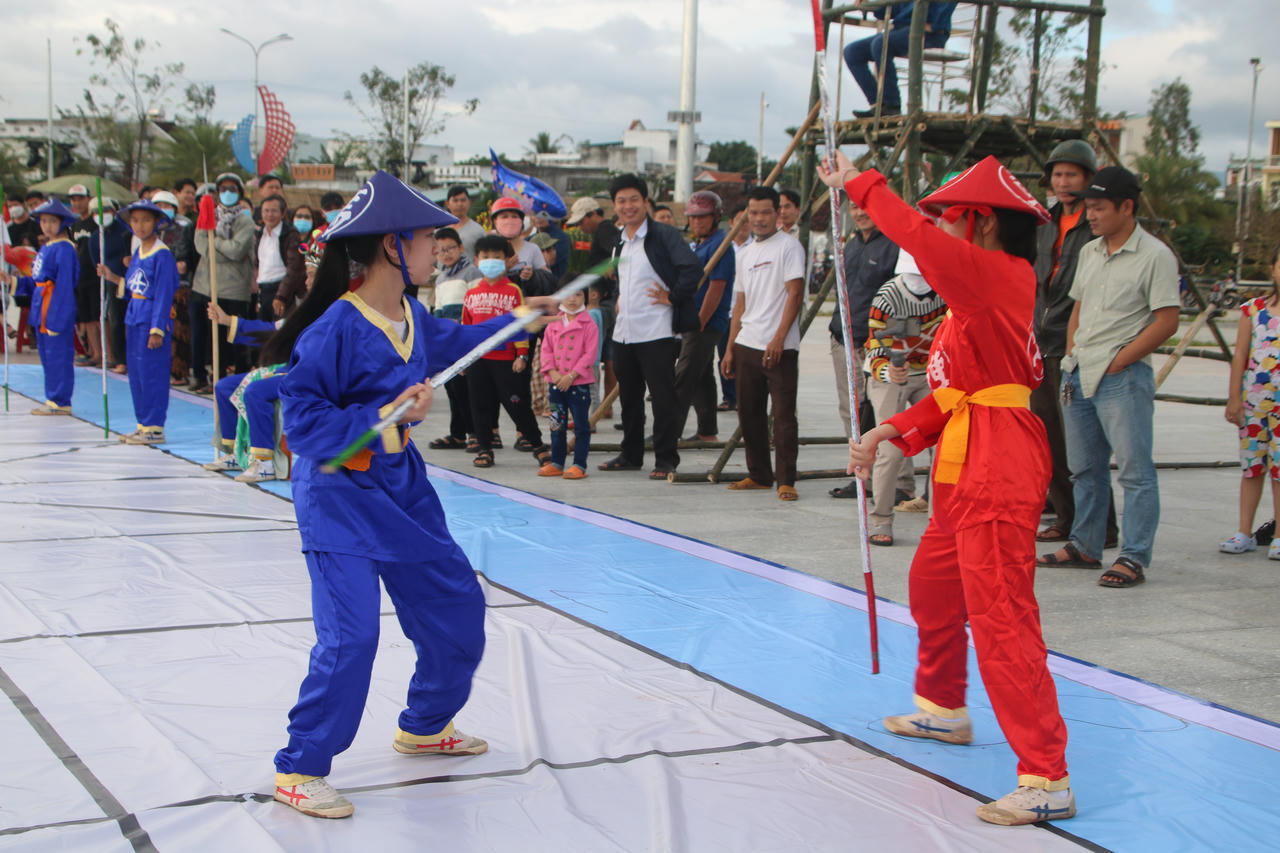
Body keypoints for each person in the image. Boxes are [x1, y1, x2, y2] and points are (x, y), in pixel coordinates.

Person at [271, 170, 558, 819]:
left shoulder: (413, 315)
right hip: (338, 497)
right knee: (352, 638)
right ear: (392, 245)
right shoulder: (333, 329)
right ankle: (300, 765)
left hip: (402, 488)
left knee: (456, 605)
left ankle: (425, 724)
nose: (440, 249)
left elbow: (459, 341)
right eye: (430, 238)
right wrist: (385, 414)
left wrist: (520, 317)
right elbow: (304, 423)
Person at [820, 152, 1075, 826]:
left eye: (949, 217)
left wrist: (860, 183)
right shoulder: (974, 296)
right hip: (965, 457)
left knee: (1002, 616)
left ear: (981, 222)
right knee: (935, 584)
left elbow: (916, 238)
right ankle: (944, 707)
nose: (938, 228)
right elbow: (954, 393)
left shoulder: (995, 274)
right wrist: (890, 431)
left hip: (998, 461)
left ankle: (1046, 774)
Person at [1039, 166, 1180, 588]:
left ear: (1127, 207)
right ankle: (1085, 544)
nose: (1091, 216)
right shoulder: (1090, 251)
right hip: (1078, 370)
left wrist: (1121, 360)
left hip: (1123, 376)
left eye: (1099, 208)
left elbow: (1167, 321)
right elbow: (1078, 308)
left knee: (1135, 471)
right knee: (1084, 469)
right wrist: (1072, 353)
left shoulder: (1155, 256)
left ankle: (1133, 556)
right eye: (1089, 208)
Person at [1031, 140, 1118, 547]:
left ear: (1088, 178)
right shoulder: (1042, 221)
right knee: (1048, 440)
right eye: (1058, 174)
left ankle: (1102, 527)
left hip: (1077, 343)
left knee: (1082, 445)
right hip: (1040, 341)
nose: (1063, 182)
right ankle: (1066, 518)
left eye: (1072, 174)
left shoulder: (1097, 224)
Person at [597, 174, 702, 478]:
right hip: (624, 332)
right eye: (621, 201)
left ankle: (666, 459)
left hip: (657, 331)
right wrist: (619, 298)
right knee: (629, 398)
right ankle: (630, 455)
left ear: (645, 202)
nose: (628, 206)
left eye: (634, 199)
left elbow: (692, 269)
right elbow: (624, 280)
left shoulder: (663, 235)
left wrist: (673, 297)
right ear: (614, 205)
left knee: (663, 398)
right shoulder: (620, 240)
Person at [720, 187, 805, 500]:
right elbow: (740, 304)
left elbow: (795, 293)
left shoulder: (789, 247)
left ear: (777, 213)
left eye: (765, 212)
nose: (759, 219)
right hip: (747, 343)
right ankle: (759, 475)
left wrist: (779, 338)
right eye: (753, 213)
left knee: (783, 417)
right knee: (749, 415)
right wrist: (730, 348)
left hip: (780, 347)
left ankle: (786, 480)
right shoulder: (744, 254)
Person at [862, 251, 947, 543]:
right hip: (889, 373)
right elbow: (874, 344)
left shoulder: (944, 292)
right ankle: (881, 520)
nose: (919, 283)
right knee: (890, 449)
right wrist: (887, 371)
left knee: (943, 445)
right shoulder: (887, 297)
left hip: (930, 373)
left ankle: (939, 521)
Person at [829, 198, 900, 499]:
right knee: (852, 411)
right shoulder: (852, 244)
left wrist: (876, 344)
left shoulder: (894, 246)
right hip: (843, 339)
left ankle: (896, 484)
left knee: (885, 415)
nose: (860, 213)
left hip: (874, 345)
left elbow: (898, 302)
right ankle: (861, 475)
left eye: (866, 206)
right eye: (854, 207)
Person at [96, 200, 181, 444]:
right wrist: (112, 277)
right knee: (137, 373)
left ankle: (155, 427)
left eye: (145, 220)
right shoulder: (138, 251)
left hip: (151, 319)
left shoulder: (162, 255)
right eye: (135, 220)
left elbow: (163, 293)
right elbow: (135, 286)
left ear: (156, 222)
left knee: (152, 372)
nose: (140, 225)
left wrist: (157, 329)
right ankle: (143, 423)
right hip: (134, 316)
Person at [462, 234, 549, 469]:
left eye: (497, 257)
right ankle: (485, 449)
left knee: (517, 404)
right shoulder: (471, 293)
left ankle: (538, 446)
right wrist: (462, 359)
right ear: (476, 260)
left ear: (507, 260)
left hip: (506, 360)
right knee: (480, 405)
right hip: (478, 359)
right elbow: (466, 327)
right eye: (486, 256)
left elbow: (520, 324)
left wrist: (521, 354)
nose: (491, 261)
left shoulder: (513, 291)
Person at [1222, 245, 1280, 557]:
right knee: (1252, 467)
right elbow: (1240, 355)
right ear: (1272, 268)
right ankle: (1244, 532)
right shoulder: (1253, 310)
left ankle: (1279, 537)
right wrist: (1234, 399)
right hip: (1253, 406)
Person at [1, 198, 79, 414]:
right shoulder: (46, 247)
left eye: (52, 221)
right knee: (47, 356)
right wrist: (12, 281)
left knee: (58, 356)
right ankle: (52, 398)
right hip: (41, 304)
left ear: (62, 223)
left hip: (55, 307)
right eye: (43, 221)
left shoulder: (65, 249)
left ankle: (60, 401)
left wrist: (58, 316)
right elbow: (36, 281)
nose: (47, 226)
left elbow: (64, 285)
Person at [673, 190, 734, 442]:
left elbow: (716, 288)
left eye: (703, 217)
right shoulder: (700, 244)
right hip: (694, 319)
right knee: (702, 376)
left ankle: (668, 433)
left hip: (705, 322)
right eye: (693, 217)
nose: (697, 222)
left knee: (684, 376)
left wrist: (699, 322)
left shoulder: (720, 246)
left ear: (715, 217)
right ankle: (707, 432)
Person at [190, 173, 255, 392]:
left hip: (234, 288)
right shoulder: (208, 217)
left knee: (235, 337)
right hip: (205, 285)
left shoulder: (245, 221)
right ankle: (211, 378)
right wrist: (220, 247)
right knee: (208, 336)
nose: (227, 193)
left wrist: (214, 242)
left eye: (232, 189)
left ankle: (238, 381)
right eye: (223, 189)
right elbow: (201, 246)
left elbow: (237, 250)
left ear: (240, 193)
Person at [843, 2, 957, 118]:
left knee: (881, 44)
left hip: (929, 34)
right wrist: (868, 5)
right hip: (902, 30)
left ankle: (892, 105)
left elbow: (943, 13)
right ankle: (878, 104)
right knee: (852, 52)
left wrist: (934, 27)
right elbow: (892, 9)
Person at [538, 286, 599, 479]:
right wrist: (553, 373)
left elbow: (590, 354)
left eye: (578, 294)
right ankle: (557, 462)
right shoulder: (553, 323)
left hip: (578, 384)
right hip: (556, 383)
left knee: (581, 426)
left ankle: (579, 464)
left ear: (585, 297)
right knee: (556, 424)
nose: (572, 299)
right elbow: (546, 350)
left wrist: (571, 376)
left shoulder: (589, 324)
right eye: (568, 294)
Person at [566, 196, 621, 411]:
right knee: (609, 355)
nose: (581, 226)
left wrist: (612, 264)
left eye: (582, 221)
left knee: (597, 354)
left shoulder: (604, 229)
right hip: (607, 299)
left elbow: (618, 249)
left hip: (602, 303)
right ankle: (607, 406)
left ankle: (600, 406)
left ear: (594, 215)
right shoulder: (604, 231)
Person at [66, 184, 103, 368]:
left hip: (97, 277)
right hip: (81, 278)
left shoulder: (97, 222)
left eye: (80, 199)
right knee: (86, 318)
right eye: (73, 200)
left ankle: (106, 353)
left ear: (89, 199)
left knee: (98, 317)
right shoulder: (73, 226)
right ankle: (94, 353)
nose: (77, 203)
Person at [255, 194, 304, 322]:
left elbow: (294, 268)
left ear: (283, 213)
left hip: (282, 291)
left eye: (274, 211)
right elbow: (259, 265)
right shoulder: (260, 234)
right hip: (263, 291)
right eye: (266, 211)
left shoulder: (290, 235)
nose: (269, 215)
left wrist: (281, 296)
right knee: (263, 330)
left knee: (279, 330)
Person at [489, 196, 545, 273]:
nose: (509, 221)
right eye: (504, 217)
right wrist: (505, 269)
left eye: (514, 216)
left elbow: (546, 275)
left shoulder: (533, 249)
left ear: (521, 221)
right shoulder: (488, 250)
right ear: (495, 222)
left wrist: (533, 274)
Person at [444, 185, 485, 258]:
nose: (460, 204)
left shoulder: (478, 231)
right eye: (455, 200)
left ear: (469, 202)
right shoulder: (439, 229)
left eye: (463, 200)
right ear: (447, 204)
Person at [534, 212, 571, 281]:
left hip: (555, 282)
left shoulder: (561, 237)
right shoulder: (530, 238)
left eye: (544, 215)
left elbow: (548, 261)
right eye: (536, 214)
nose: (539, 218)